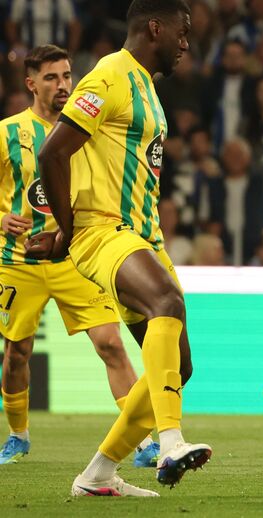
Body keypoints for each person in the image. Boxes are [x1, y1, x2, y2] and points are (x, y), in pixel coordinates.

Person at [36, 0, 210, 497]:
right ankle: (170, 440)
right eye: (182, 30)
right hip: (102, 230)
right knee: (167, 303)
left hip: (143, 236)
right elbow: (53, 151)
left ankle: (97, 475)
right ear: (155, 26)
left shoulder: (148, 88)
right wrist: (68, 230)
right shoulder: (108, 76)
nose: (186, 42)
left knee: (181, 365)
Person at [0, 45, 158, 468]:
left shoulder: (90, 129)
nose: (62, 85)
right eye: (51, 78)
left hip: (75, 257)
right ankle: (18, 435)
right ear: (31, 84)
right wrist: (1, 218)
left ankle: (142, 442)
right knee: (17, 352)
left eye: (67, 75)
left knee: (111, 345)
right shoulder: (8, 132)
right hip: (19, 262)